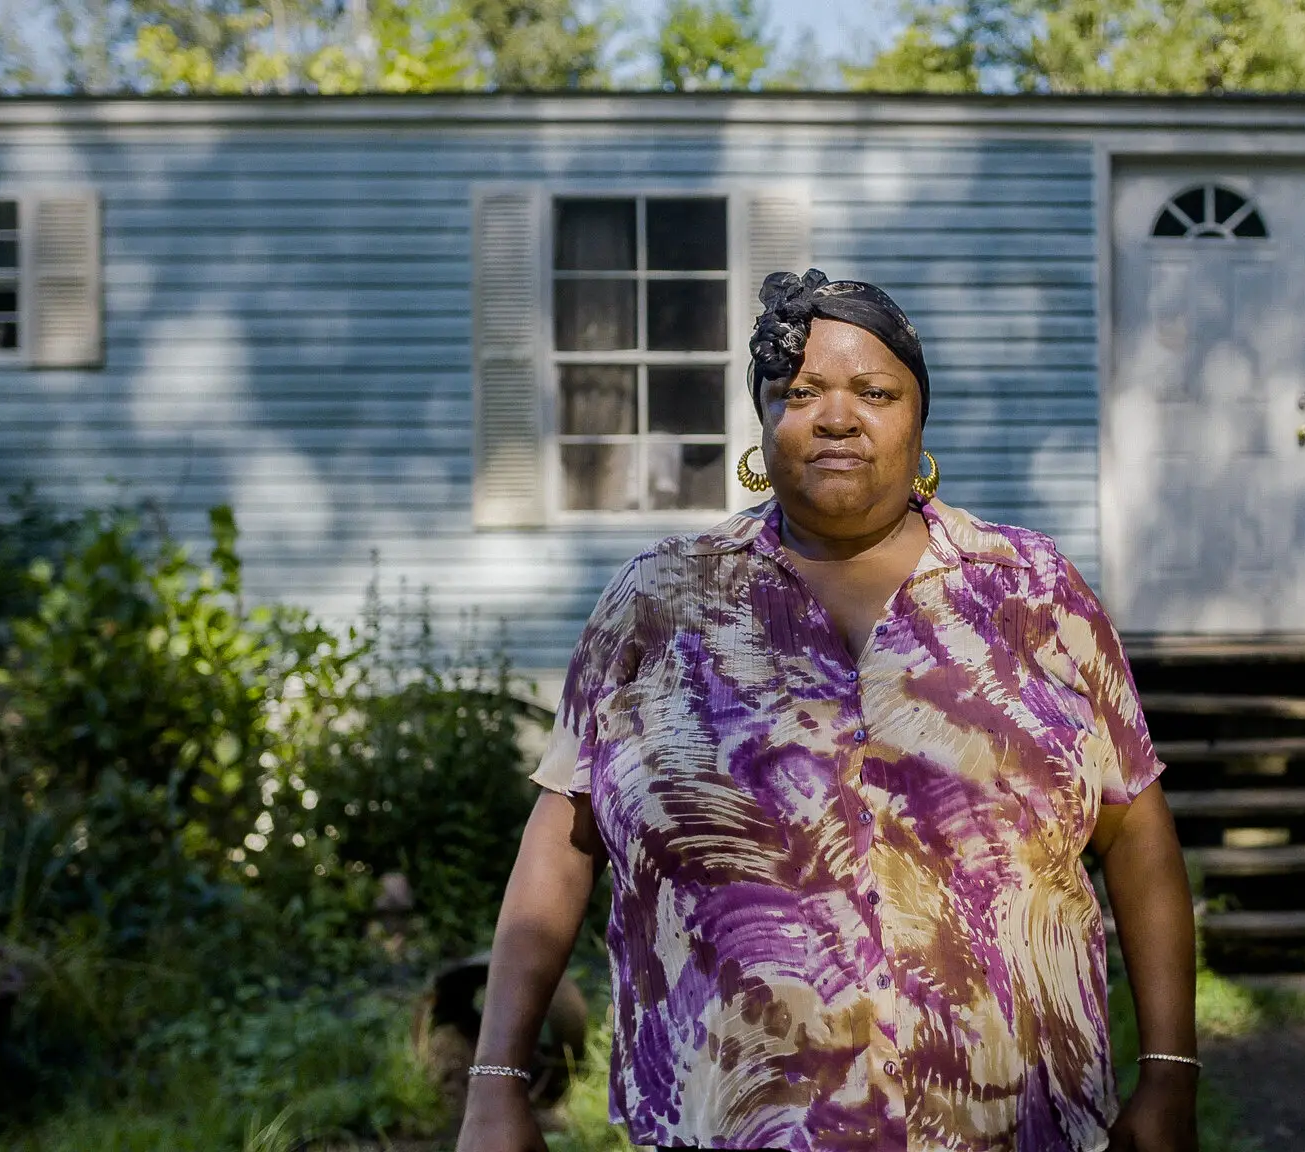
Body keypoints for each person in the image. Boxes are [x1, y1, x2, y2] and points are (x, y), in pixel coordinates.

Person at [458, 269, 1198, 1152]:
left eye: (874, 392)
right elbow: (563, 831)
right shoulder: (661, 599)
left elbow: (1136, 826)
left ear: (918, 418)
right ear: (762, 421)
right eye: (798, 392)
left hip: (1014, 1124)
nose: (838, 417)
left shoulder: (1030, 591)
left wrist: (1170, 1075)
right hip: (730, 1126)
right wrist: (496, 1082)